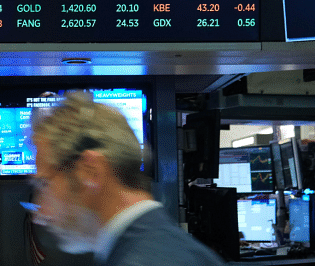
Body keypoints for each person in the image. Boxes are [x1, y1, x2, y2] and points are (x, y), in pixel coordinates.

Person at [29, 91, 225, 266]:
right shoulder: (174, 247)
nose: (39, 214)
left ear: (90, 172)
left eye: (45, 184)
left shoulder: (140, 259)